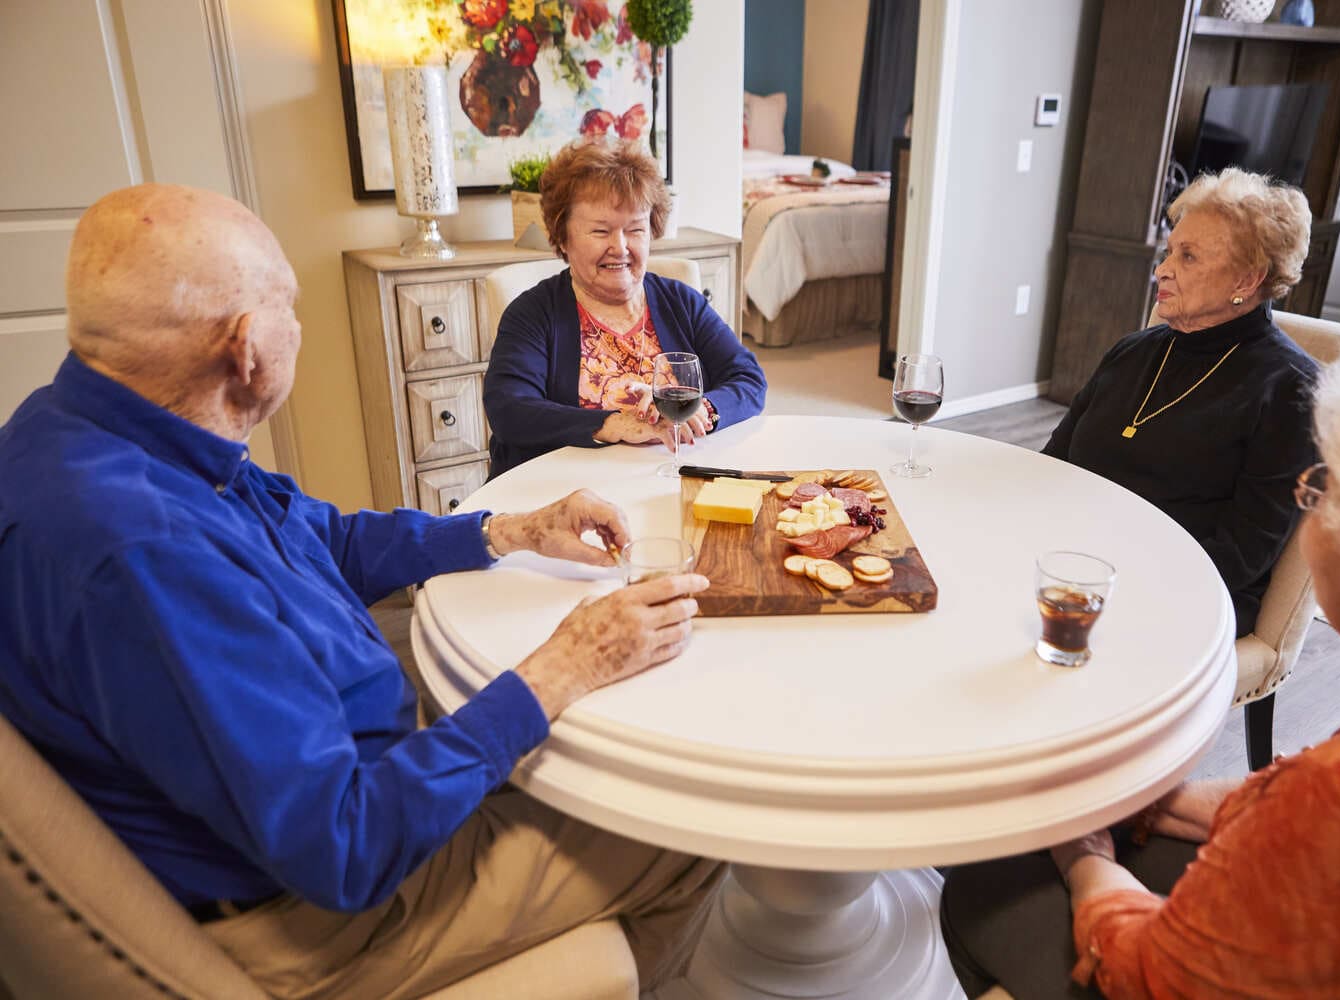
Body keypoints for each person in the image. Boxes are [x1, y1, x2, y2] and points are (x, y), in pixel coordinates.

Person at [0, 183, 725, 998]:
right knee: (689, 825)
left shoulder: (100, 428)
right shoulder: (142, 553)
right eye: (289, 308)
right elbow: (346, 844)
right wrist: (564, 667)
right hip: (327, 911)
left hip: (325, 781)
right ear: (246, 349)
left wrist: (506, 531)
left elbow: (322, 536)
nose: (298, 327)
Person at [942, 322, 1340, 998]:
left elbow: (1146, 970)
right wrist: (1145, 803)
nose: (1309, 505)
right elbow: (1285, 809)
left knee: (982, 883)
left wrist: (1086, 863)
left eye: (1325, 489)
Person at [1043, 168, 1319, 637]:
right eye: (1170, 251)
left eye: (1187, 257)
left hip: (1183, 597)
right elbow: (1051, 466)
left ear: (1248, 279)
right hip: (1075, 564)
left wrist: (1104, 583)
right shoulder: (1133, 351)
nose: (1162, 270)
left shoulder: (1291, 390)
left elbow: (1241, 556)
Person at [484, 139, 767, 476]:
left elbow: (748, 379)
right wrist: (613, 424)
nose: (619, 248)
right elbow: (510, 409)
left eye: (635, 229)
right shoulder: (532, 313)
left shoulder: (682, 302)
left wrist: (705, 408)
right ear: (563, 238)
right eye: (600, 231)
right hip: (567, 492)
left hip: (669, 478)